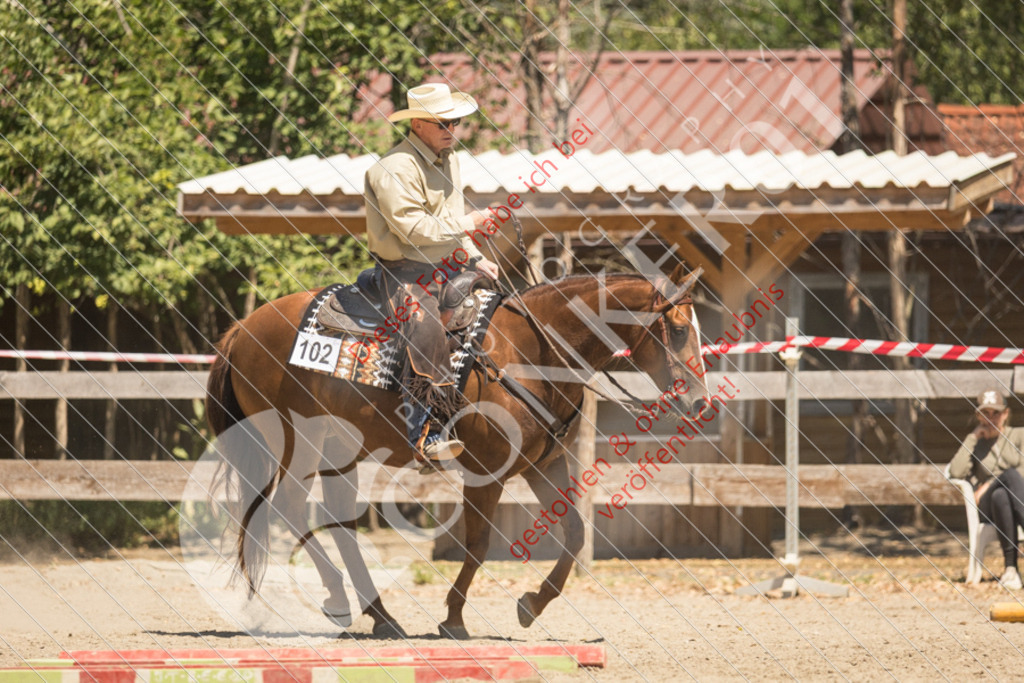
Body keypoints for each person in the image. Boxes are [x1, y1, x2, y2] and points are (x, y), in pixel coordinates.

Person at [364, 82, 500, 467]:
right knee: (426, 329)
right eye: (442, 122)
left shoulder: (450, 159)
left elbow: (448, 219)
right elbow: (414, 231)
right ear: (417, 125)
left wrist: (474, 257)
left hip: (449, 265)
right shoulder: (392, 168)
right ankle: (427, 432)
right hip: (404, 272)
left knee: (497, 311)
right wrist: (471, 224)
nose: (451, 129)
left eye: (454, 121)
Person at [949, 387, 1024, 589]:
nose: (990, 418)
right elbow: (955, 472)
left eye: (996, 413)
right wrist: (972, 438)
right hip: (986, 506)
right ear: (978, 415)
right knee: (1005, 481)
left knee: (1002, 492)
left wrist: (991, 482)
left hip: (1013, 499)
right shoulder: (976, 443)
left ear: (1006, 414)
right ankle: (1010, 569)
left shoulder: (1018, 436)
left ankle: (1010, 570)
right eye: (985, 413)